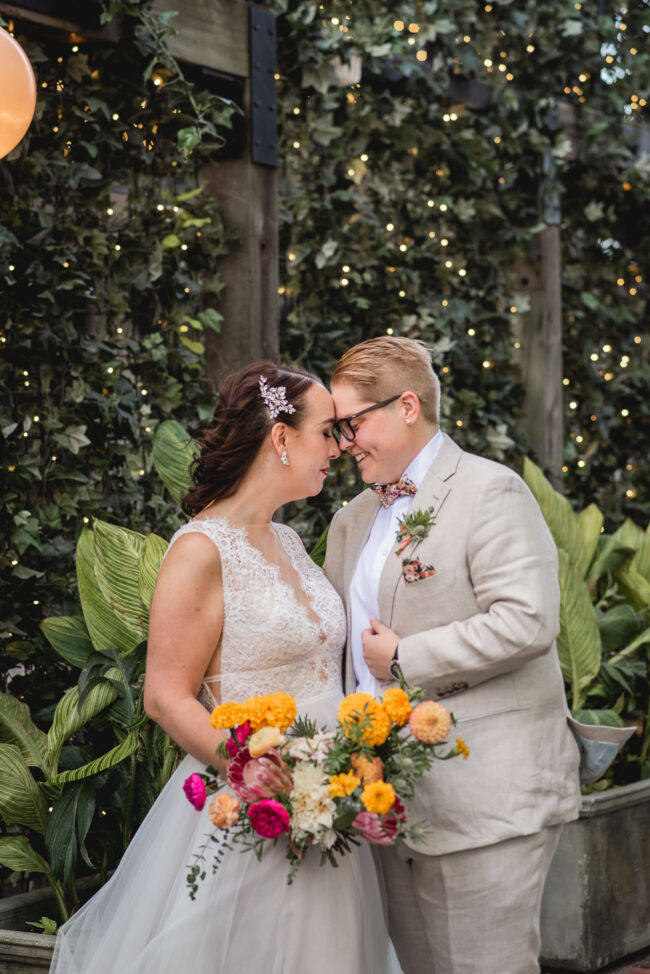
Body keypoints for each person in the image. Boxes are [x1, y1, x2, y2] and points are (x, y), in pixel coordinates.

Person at [49, 361, 399, 974]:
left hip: (329, 798)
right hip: (251, 805)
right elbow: (165, 695)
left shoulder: (288, 540)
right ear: (281, 438)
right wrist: (253, 767)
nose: (340, 449)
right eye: (328, 432)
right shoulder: (199, 550)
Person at [323, 336, 582, 974]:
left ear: (407, 406)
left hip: (485, 799)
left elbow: (528, 621)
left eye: (352, 423)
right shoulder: (351, 520)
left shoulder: (491, 491)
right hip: (389, 799)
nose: (344, 442)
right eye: (336, 428)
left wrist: (406, 656)